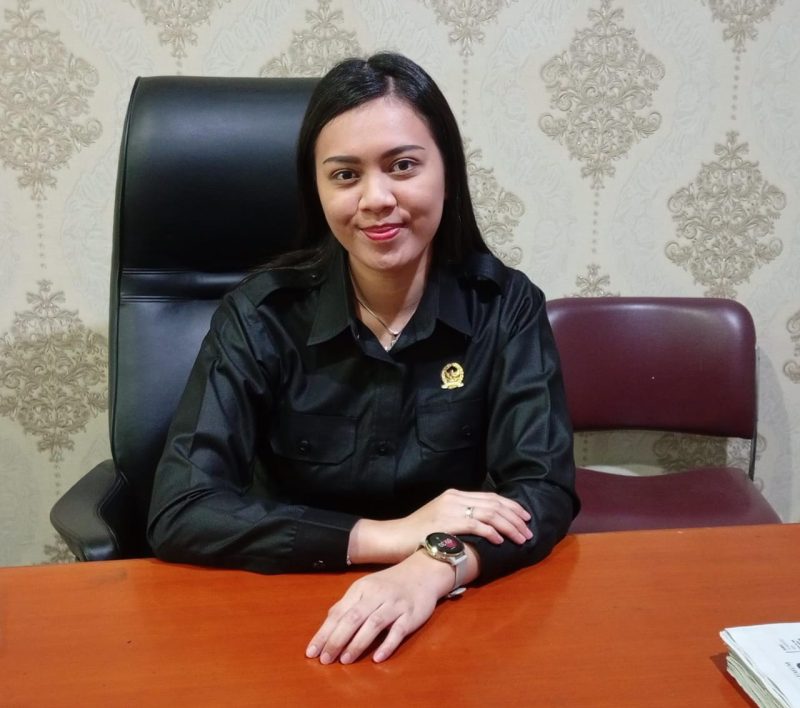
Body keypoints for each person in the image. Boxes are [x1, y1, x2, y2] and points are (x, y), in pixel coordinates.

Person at [147, 52, 578, 665]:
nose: (376, 198)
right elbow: (182, 509)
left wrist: (432, 565)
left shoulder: (504, 306)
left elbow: (543, 490)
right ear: (318, 190)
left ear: (447, 173)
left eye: (403, 166)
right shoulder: (260, 315)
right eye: (345, 175)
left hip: (453, 615)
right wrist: (388, 538)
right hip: (284, 609)